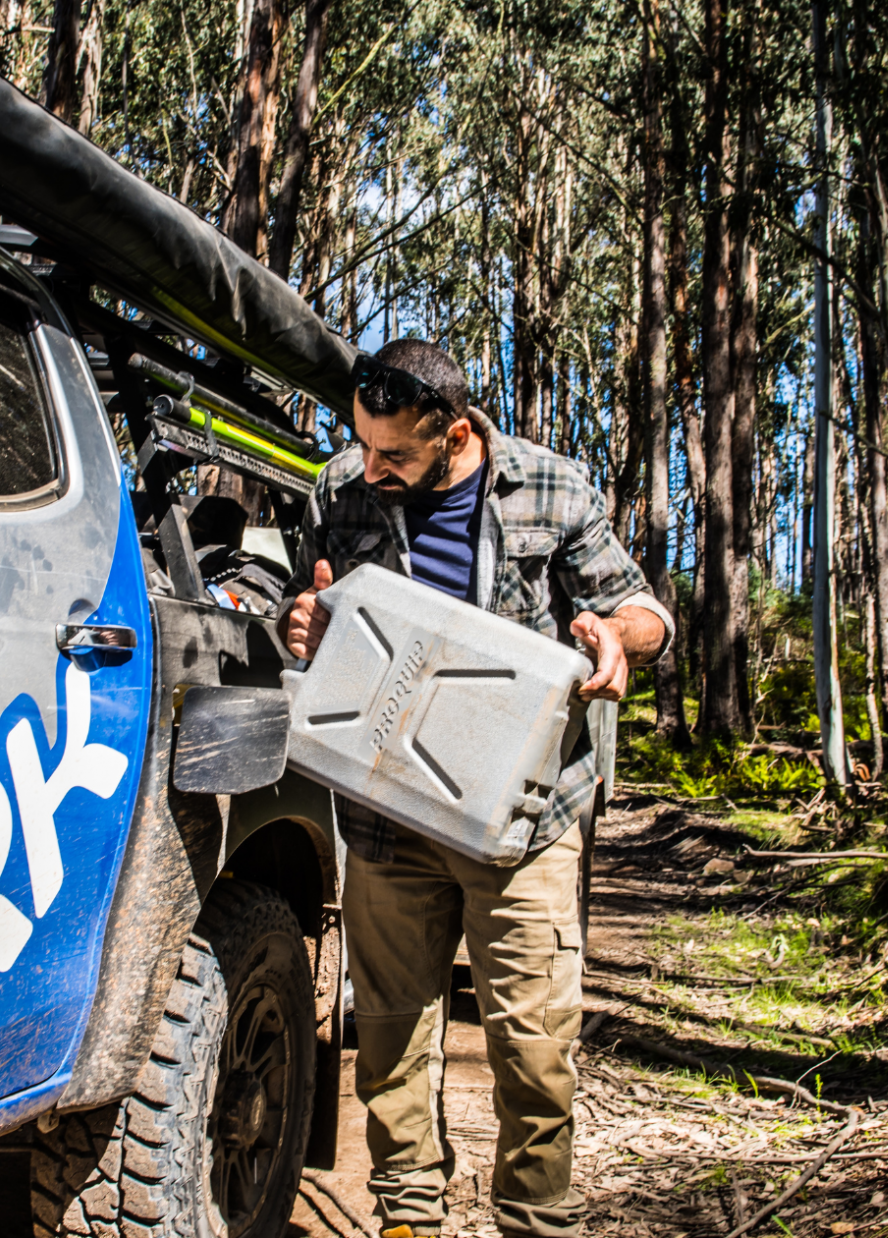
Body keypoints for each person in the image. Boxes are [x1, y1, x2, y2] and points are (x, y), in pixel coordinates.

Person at [277, 339, 671, 1238]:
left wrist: (615, 638)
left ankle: (537, 1219)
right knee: (390, 1040)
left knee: (536, 1049)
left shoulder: (551, 488)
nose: (370, 469)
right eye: (363, 447)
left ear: (455, 434)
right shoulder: (341, 489)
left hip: (526, 821)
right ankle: (408, 1217)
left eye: (396, 456)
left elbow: (646, 611)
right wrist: (297, 617)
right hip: (387, 815)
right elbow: (307, 602)